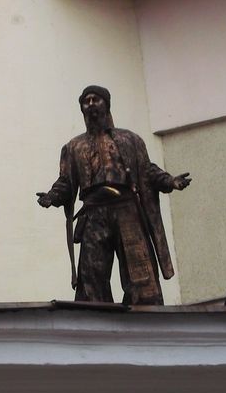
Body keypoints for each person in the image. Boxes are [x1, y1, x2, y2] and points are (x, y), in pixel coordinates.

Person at [37, 85, 190, 305]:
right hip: (93, 212)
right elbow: (66, 182)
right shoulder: (73, 146)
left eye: (95, 99)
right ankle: (94, 314)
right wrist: (52, 196)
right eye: (85, 101)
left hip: (127, 208)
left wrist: (170, 181)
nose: (90, 104)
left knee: (139, 270)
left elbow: (147, 170)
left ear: (106, 105)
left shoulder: (129, 140)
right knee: (91, 274)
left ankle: (145, 313)